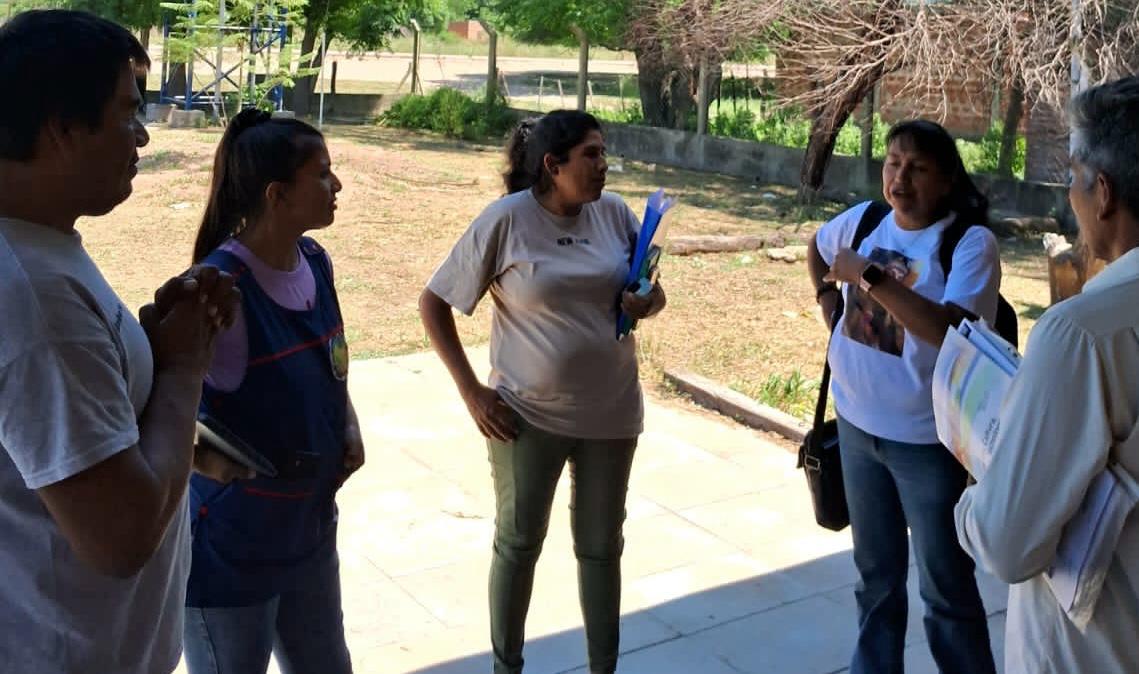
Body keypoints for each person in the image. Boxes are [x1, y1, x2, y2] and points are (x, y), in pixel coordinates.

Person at [0, 10, 237, 673]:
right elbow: (119, 536)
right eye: (128, 112)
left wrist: (153, 358)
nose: (141, 134)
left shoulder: (36, 251)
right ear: (63, 129)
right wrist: (186, 363)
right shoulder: (35, 297)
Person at [419, 110, 666, 674]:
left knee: (602, 548)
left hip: (612, 413)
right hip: (525, 417)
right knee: (519, 544)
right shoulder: (507, 221)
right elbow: (434, 302)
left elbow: (650, 289)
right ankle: (508, 666)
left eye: (604, 154)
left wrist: (646, 302)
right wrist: (473, 394)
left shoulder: (617, 214)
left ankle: (603, 667)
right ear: (554, 166)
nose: (604, 166)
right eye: (592, 156)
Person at [955, 76, 1139, 673]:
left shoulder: (1082, 335)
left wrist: (972, 499)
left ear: (1103, 192)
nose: (1071, 195)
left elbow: (1009, 544)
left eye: (1074, 177)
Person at [806, 120, 999, 674]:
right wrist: (827, 297)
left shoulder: (968, 243)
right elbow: (816, 249)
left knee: (946, 590)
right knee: (875, 579)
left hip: (925, 441)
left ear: (946, 181)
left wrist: (867, 277)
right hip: (858, 425)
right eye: (893, 162)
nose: (900, 176)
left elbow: (946, 331)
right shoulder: (865, 219)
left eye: (917, 167)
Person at [182, 108, 360, 674]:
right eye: (323, 174)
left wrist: (347, 425)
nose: (337, 186)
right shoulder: (217, 292)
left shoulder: (314, 261)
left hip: (307, 530)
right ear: (278, 194)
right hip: (233, 548)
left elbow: (331, 364)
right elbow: (161, 413)